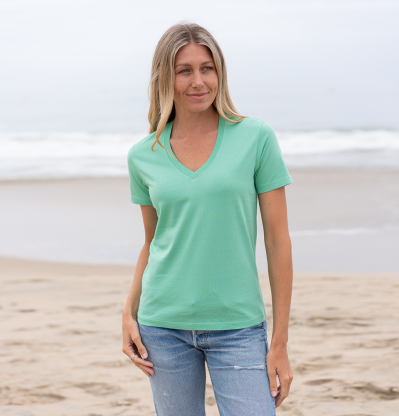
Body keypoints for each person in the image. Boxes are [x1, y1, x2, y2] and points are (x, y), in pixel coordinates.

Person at [122, 22, 294, 416]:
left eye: (207, 68)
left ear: (220, 73)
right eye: (184, 70)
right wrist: (128, 312)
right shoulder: (143, 155)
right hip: (162, 326)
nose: (198, 82)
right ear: (165, 78)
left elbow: (277, 241)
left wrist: (280, 341)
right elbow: (153, 241)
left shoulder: (255, 137)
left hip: (238, 327)